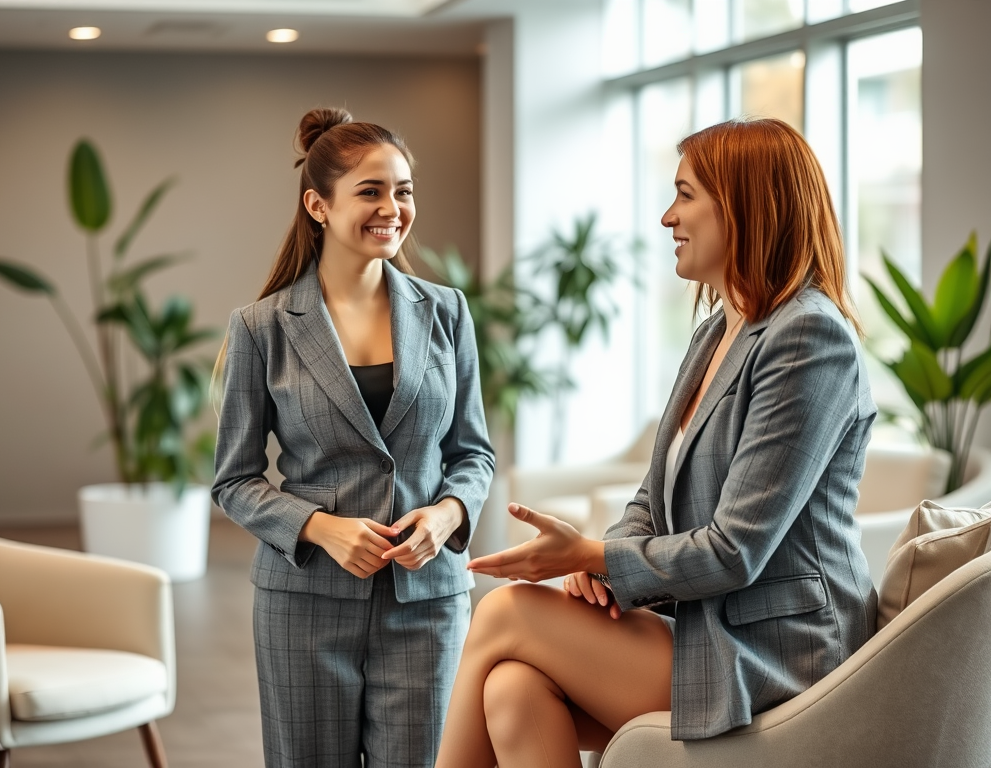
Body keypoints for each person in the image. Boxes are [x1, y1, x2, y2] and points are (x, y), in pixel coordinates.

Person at [434, 117, 878, 768]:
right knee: (511, 689)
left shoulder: (810, 338)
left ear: (746, 205)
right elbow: (652, 500)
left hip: (782, 650)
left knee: (504, 615)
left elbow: (737, 550)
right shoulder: (714, 334)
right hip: (711, 627)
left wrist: (593, 552)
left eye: (685, 194)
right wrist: (598, 568)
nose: (668, 217)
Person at [211, 107, 495, 768]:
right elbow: (234, 480)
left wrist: (446, 514)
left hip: (427, 601)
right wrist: (320, 527)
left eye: (403, 190)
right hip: (304, 603)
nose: (393, 207)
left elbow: (472, 453)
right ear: (319, 204)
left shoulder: (447, 311)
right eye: (371, 191)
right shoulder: (262, 327)